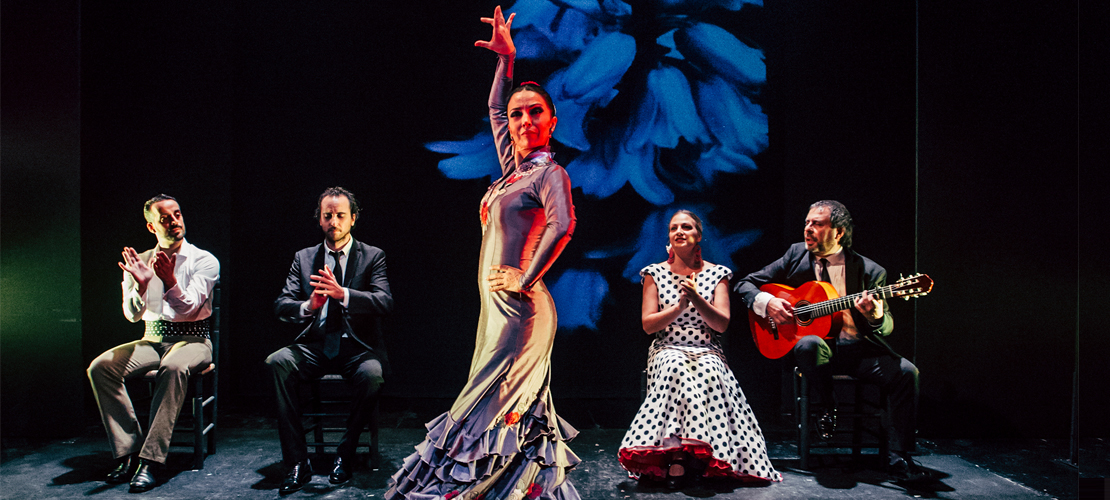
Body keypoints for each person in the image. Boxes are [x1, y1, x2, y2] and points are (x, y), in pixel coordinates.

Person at [386, 6, 579, 499]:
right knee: (503, 409)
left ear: (552, 123)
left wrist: (526, 279)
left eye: (535, 112)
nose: (523, 120)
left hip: (522, 312)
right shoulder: (512, 174)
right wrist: (505, 63)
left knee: (487, 407)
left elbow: (563, 225)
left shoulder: (548, 174)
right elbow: (494, 108)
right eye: (518, 113)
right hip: (495, 312)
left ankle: (472, 492)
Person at [733, 200, 921, 479]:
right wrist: (768, 302)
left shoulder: (870, 271)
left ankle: (900, 456)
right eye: (807, 222)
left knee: (908, 372)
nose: (808, 229)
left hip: (859, 352)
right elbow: (744, 284)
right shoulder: (796, 255)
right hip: (817, 354)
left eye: (817, 224)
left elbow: (887, 326)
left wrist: (876, 316)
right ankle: (825, 405)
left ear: (839, 232)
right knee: (809, 344)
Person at [618, 210, 782, 488]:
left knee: (707, 369)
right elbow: (648, 325)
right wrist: (680, 306)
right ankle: (679, 457)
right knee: (676, 366)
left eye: (686, 227)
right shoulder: (653, 273)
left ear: (699, 236)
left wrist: (696, 298)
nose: (679, 231)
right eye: (673, 228)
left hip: (706, 349)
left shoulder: (718, 274)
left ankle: (701, 456)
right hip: (667, 347)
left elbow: (721, 324)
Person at [87, 194, 220, 493]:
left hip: (193, 338)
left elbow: (189, 308)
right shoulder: (141, 260)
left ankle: (151, 460)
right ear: (151, 226)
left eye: (177, 214)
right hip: (153, 337)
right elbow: (133, 316)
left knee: (173, 366)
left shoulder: (204, 260)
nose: (174, 221)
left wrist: (170, 281)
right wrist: (143, 286)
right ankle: (128, 452)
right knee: (100, 368)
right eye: (165, 218)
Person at [265, 186, 394, 493]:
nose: (333, 221)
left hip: (356, 347)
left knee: (372, 376)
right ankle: (297, 462)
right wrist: (308, 306)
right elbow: (281, 305)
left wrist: (344, 294)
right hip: (316, 344)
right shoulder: (304, 258)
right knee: (278, 361)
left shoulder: (373, 256)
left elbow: (385, 301)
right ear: (319, 220)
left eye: (340, 215)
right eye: (327, 216)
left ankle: (344, 455)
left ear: (353, 219)